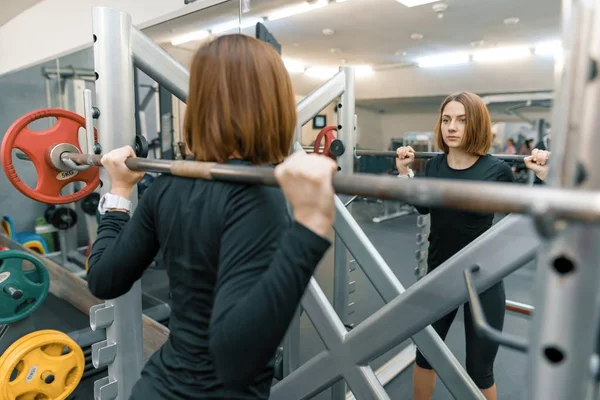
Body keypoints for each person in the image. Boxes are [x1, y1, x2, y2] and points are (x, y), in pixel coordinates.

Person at [86, 34, 338, 399]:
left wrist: (120, 191)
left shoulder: (169, 186)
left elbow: (103, 279)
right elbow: (234, 362)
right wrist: (309, 229)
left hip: (155, 388)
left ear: (200, 104)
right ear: (275, 104)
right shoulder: (258, 199)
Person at [395, 92, 549, 400]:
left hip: (484, 279)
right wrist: (404, 173)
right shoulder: (435, 167)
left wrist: (544, 178)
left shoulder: (496, 170)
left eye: (462, 121)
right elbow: (423, 207)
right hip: (439, 274)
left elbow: (528, 216)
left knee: (479, 369)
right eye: (447, 120)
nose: (452, 127)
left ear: (476, 125)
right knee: (425, 355)